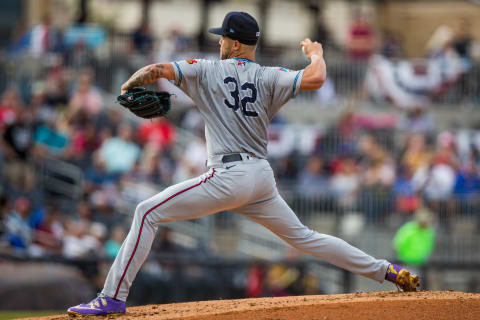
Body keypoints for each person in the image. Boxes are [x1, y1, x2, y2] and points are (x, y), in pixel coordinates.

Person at [68, 12, 419, 316]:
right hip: (260, 178)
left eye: (223, 37)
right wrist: (317, 53)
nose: (220, 42)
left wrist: (129, 85)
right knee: (306, 238)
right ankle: (387, 272)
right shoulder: (269, 75)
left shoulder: (205, 70)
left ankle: (111, 297)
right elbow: (316, 78)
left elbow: (156, 70)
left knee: (146, 211)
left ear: (235, 44)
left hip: (228, 175)